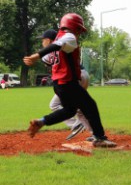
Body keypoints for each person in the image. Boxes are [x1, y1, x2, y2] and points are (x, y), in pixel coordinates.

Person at [23, 13, 116, 147]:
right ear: (72, 27)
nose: (79, 33)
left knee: (70, 111)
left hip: (58, 84)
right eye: (78, 29)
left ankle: (41, 121)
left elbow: (53, 52)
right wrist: (37, 55)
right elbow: (57, 46)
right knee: (90, 105)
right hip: (68, 83)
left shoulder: (57, 40)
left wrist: (40, 55)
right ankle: (99, 137)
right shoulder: (69, 36)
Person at [38, 29, 92, 140]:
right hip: (83, 75)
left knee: (55, 105)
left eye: (43, 40)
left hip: (74, 78)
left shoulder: (53, 49)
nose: (42, 42)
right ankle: (92, 132)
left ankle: (76, 124)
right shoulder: (62, 45)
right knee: (80, 106)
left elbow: (47, 60)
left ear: (48, 40)